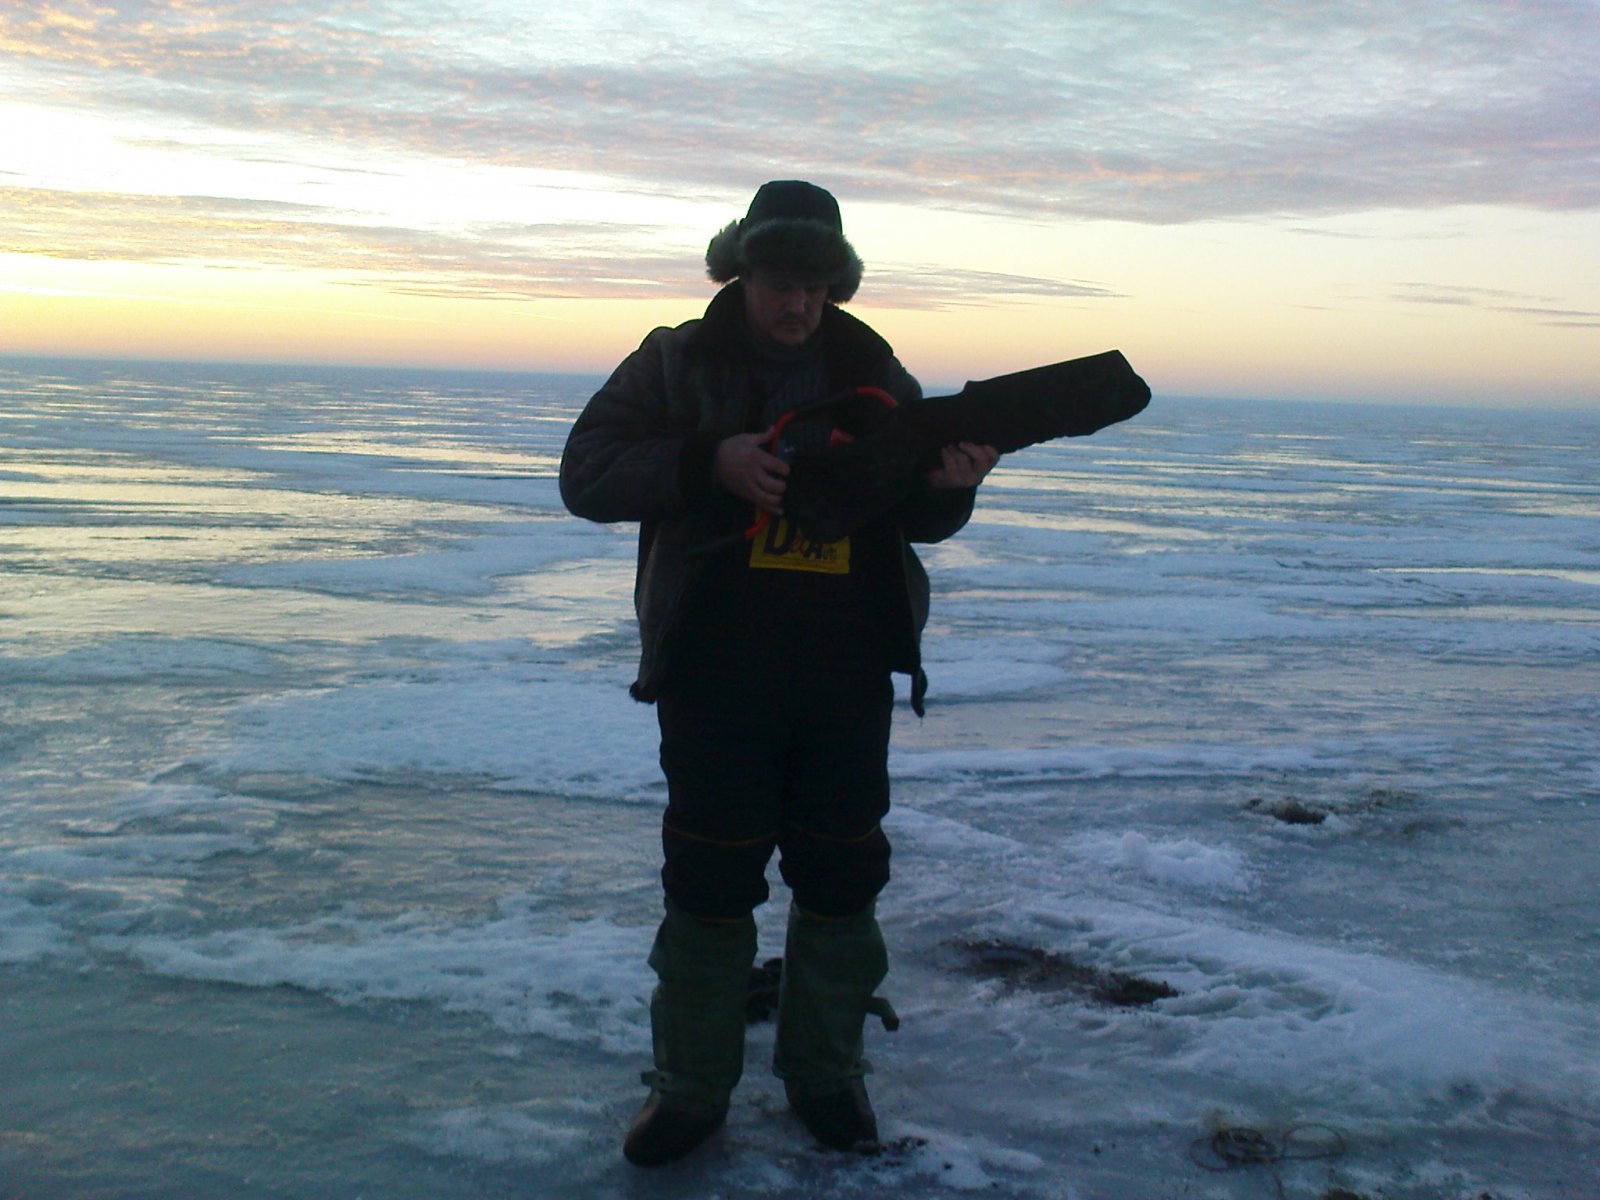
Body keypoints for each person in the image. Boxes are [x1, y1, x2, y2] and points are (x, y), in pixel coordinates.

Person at [559, 180, 999, 1167]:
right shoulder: (675, 361)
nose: (796, 303)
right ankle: (690, 1091)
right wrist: (707, 463)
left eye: (814, 285)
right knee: (709, 875)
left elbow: (913, 515)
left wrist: (949, 490)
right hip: (716, 669)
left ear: (836, 285)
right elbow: (584, 471)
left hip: (844, 670)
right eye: (777, 281)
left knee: (842, 872)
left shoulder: (874, 370)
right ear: (740, 272)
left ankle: (826, 1076)